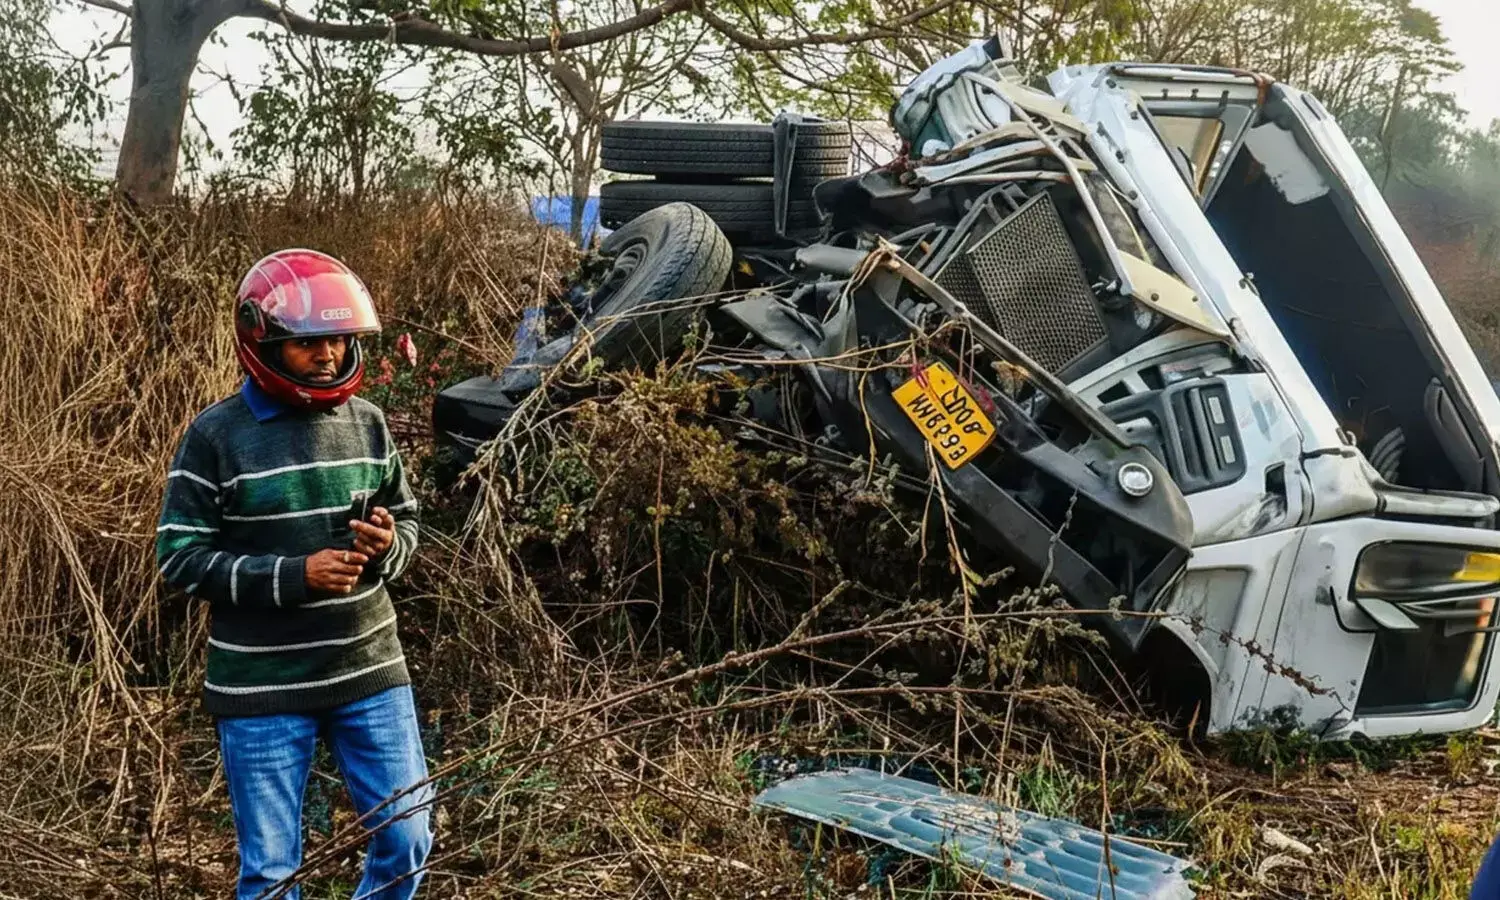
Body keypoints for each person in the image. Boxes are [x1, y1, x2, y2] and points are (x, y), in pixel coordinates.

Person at [155, 249, 433, 900]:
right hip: (261, 690)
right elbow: (180, 555)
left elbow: (411, 519)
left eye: (338, 339)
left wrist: (388, 544)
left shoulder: (367, 423)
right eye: (309, 343)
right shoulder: (216, 437)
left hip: (369, 672)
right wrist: (295, 575)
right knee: (273, 875)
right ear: (263, 341)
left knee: (407, 837)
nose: (330, 355)